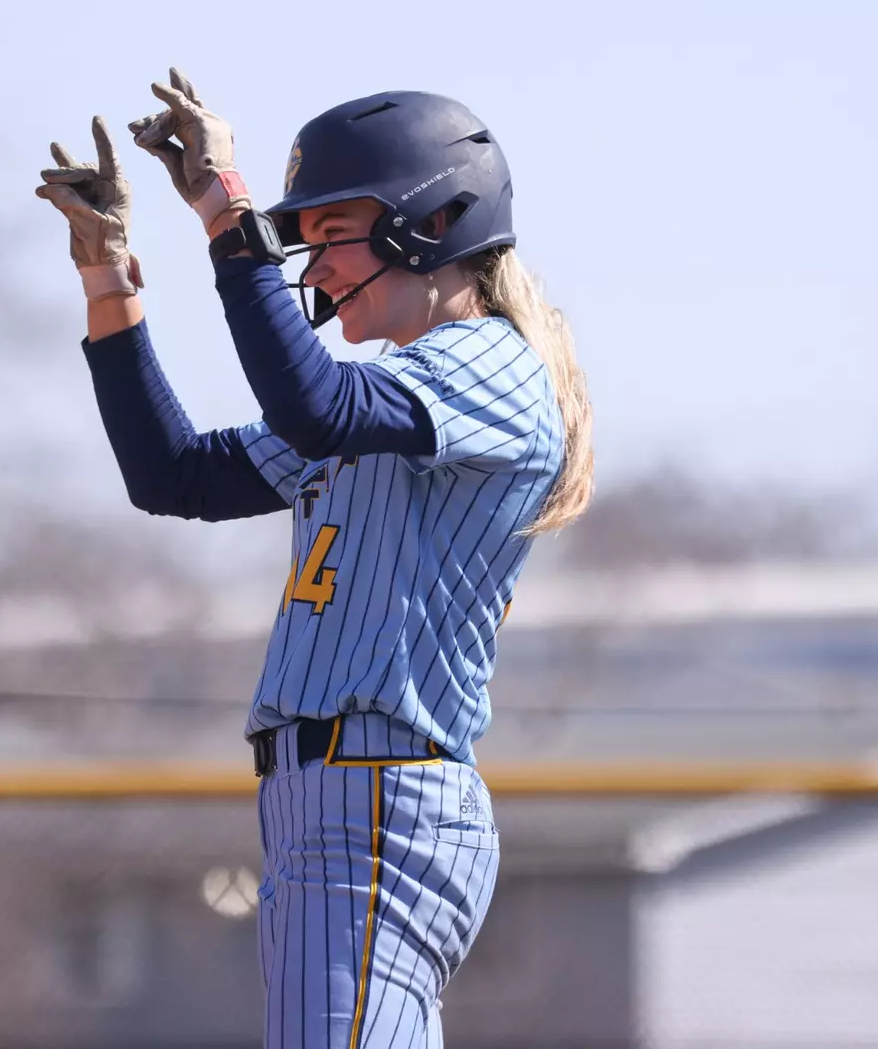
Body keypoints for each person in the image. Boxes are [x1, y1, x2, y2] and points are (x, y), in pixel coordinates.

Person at [35, 69, 593, 1049]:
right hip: (334, 802)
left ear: (431, 222)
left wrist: (222, 208)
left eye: (332, 230)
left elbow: (311, 404)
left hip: (375, 791)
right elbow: (178, 475)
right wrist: (106, 279)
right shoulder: (393, 393)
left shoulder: (488, 363)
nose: (315, 262)